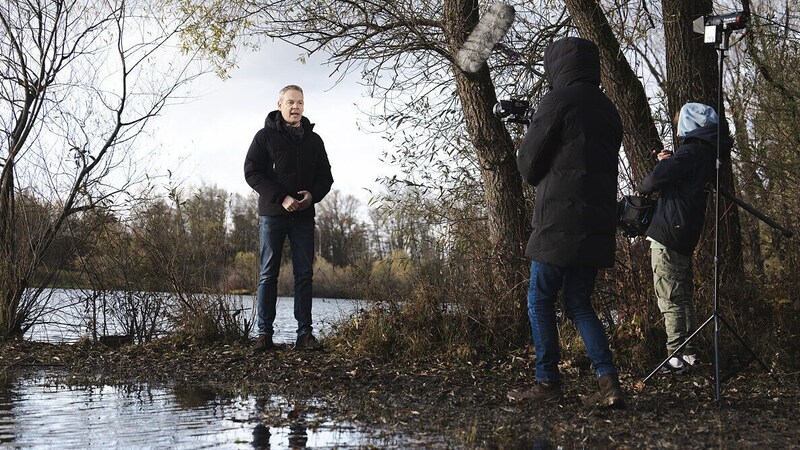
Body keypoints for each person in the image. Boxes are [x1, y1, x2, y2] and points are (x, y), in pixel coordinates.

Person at [508, 37, 625, 408]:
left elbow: (529, 165)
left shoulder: (557, 101)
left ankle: (547, 382)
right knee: (578, 303)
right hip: (596, 225)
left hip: (558, 222)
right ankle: (608, 384)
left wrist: (528, 130)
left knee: (540, 299)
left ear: (557, 65)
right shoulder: (609, 110)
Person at [637, 102, 733, 373]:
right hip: (684, 232)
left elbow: (656, 179)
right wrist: (668, 163)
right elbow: (675, 175)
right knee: (682, 296)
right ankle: (687, 355)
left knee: (669, 296)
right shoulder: (706, 154)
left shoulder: (690, 152)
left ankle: (675, 357)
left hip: (669, 232)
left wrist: (648, 182)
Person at [244, 85, 334, 352]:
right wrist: (281, 198)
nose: (296, 107)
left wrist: (312, 196)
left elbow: (326, 177)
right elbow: (251, 172)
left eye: (300, 103)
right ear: (280, 104)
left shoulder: (314, 140)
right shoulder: (264, 137)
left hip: (304, 217)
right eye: (291, 102)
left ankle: (304, 335)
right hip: (272, 215)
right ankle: (264, 335)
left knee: (304, 274)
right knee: (267, 274)